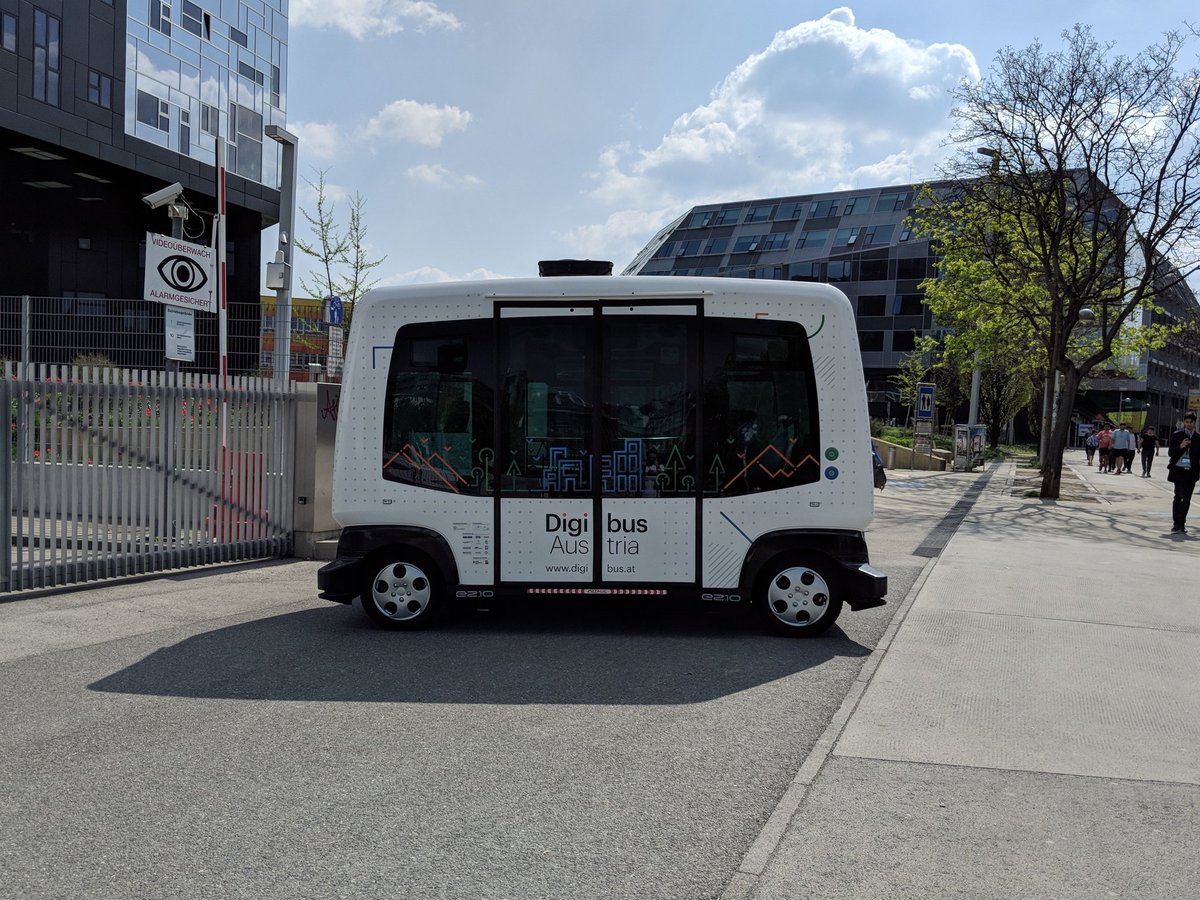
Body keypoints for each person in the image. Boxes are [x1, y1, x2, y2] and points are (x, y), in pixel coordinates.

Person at [1167, 412, 1200, 534]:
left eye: (1191, 422)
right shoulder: (1177, 435)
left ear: (1194, 423)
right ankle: (1176, 523)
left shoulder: (1198, 438)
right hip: (1178, 470)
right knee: (1178, 496)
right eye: (1187, 422)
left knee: (1187, 498)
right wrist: (1181, 446)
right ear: (1184, 422)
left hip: (1191, 472)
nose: (1189, 424)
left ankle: (1182, 523)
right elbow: (1171, 453)